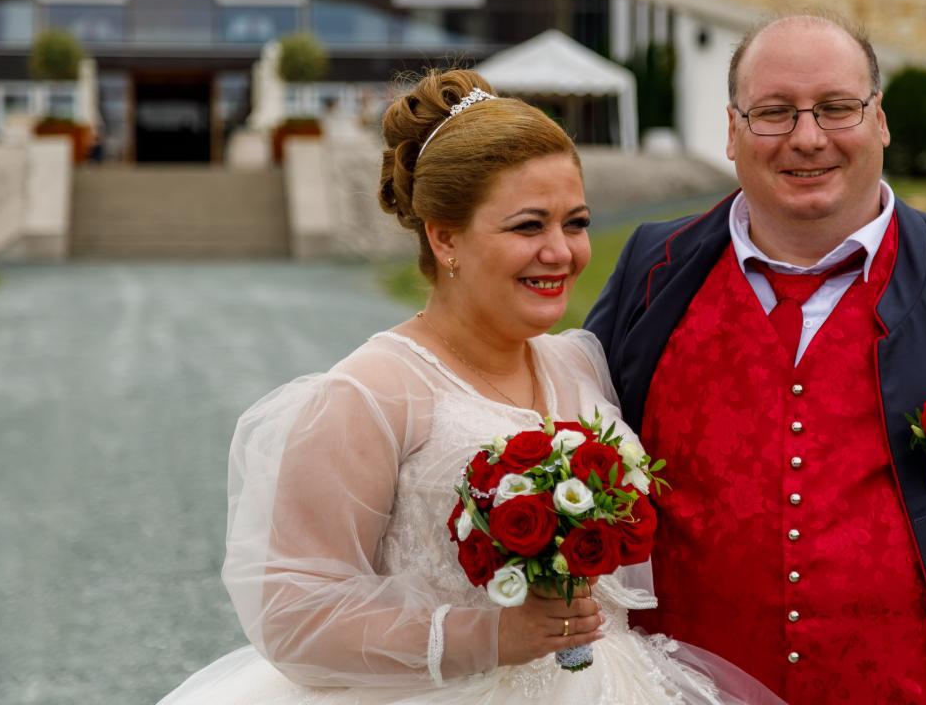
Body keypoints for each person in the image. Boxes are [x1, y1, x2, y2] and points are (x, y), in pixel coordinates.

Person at [157, 69, 783, 705]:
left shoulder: (577, 363)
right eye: (528, 226)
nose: (561, 252)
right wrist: (487, 636)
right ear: (445, 236)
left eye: (575, 223)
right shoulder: (372, 392)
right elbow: (295, 616)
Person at [585, 9, 926, 704]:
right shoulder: (651, 275)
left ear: (881, 120)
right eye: (774, 112)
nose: (807, 138)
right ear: (731, 130)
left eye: (837, 108)